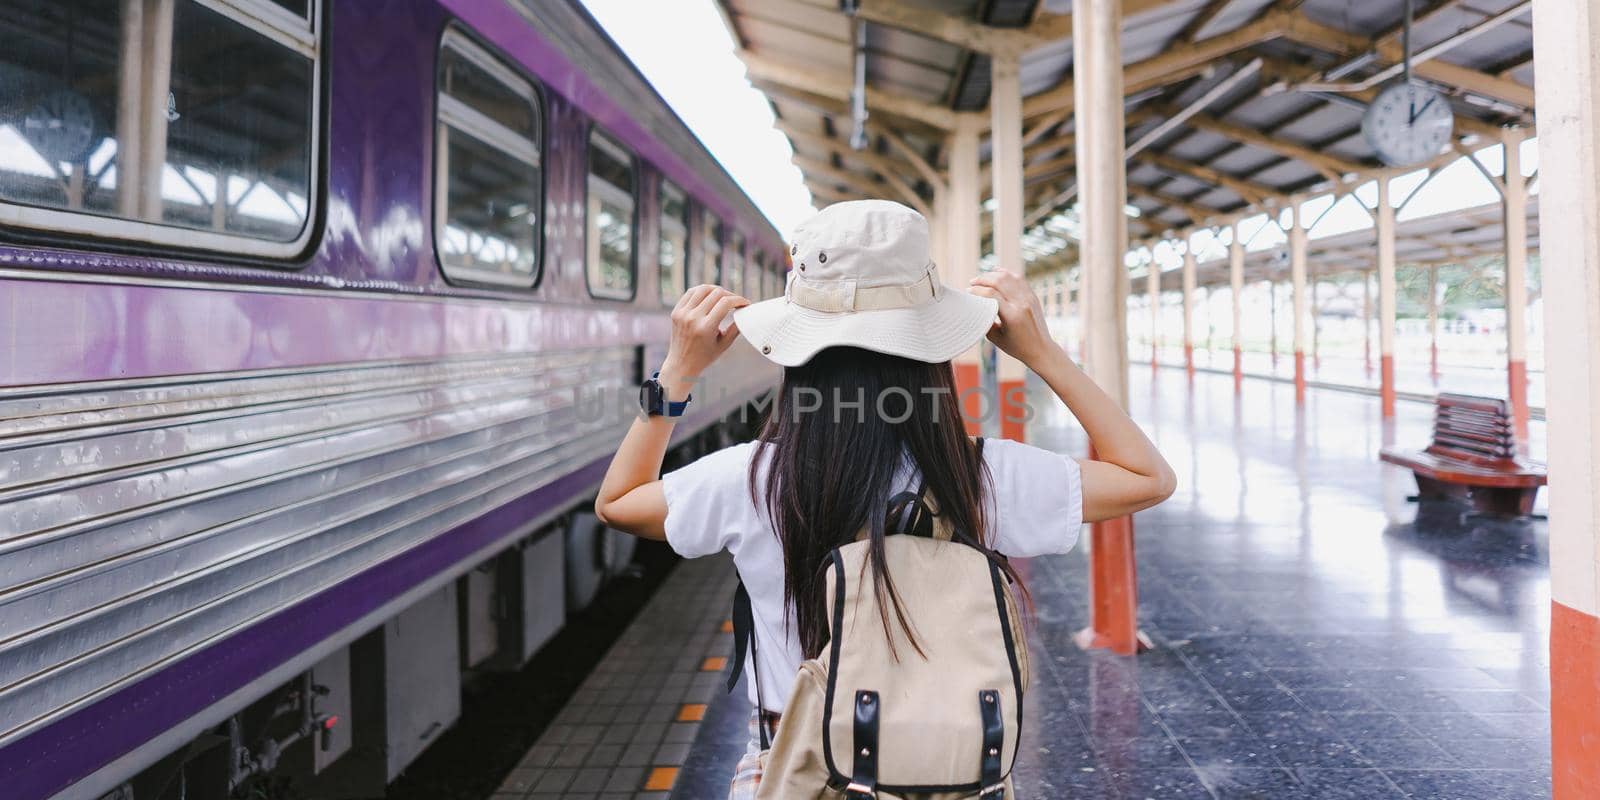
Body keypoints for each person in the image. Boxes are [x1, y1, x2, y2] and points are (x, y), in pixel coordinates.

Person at [595, 200, 1174, 797]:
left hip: (790, 774)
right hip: (946, 779)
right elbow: (1147, 478)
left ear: (797, 352)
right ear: (931, 348)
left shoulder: (755, 477)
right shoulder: (977, 476)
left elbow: (620, 501)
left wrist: (677, 372)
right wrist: (1042, 354)